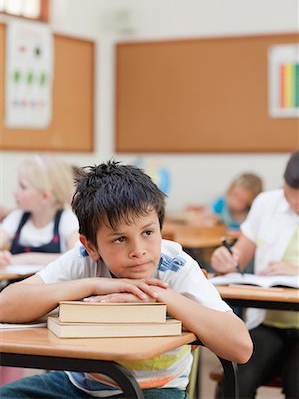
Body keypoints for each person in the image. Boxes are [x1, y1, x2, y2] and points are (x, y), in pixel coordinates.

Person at [0, 160, 252, 399]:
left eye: (148, 232)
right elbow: (6, 305)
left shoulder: (176, 266)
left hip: (155, 388)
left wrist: (161, 297)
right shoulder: (82, 259)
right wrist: (94, 284)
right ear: (91, 246)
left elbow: (240, 347)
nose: (139, 250)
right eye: (120, 239)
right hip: (81, 386)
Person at [211, 150, 299, 399]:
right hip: (267, 322)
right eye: (290, 199)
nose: (293, 207)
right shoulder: (266, 203)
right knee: (235, 379)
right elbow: (238, 257)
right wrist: (226, 260)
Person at [0, 154, 79, 267]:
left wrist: (24, 259)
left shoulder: (66, 219)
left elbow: (76, 256)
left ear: (45, 197)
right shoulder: (17, 217)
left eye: (23, 187)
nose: (14, 192)